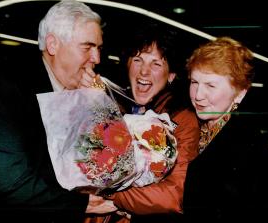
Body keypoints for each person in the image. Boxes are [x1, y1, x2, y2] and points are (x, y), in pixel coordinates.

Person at [0, 0, 116, 221]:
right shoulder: (11, 90)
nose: (97, 59)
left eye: (99, 48)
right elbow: (11, 183)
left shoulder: (83, 88)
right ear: (52, 44)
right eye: (87, 47)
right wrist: (81, 204)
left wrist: (95, 102)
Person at [81, 24, 200, 223]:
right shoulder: (112, 105)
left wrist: (111, 196)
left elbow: (175, 195)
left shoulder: (182, 120)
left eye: (156, 64)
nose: (144, 72)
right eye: (137, 60)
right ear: (127, 65)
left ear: (171, 75)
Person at [182, 37, 268, 222]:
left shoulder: (247, 146)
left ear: (240, 93)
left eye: (210, 85)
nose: (198, 95)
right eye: (194, 82)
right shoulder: (193, 127)